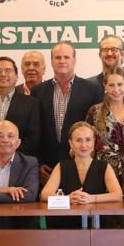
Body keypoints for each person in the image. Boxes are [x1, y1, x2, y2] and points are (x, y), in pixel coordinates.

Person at [32, 41, 103, 180]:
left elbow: (98, 131)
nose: (62, 61)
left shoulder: (92, 89)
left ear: (74, 60)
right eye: (58, 57)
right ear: (51, 61)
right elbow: (34, 131)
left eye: (66, 57)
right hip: (47, 168)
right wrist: (38, 163)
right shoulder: (38, 91)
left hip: (82, 165)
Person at [40, 121, 123, 227]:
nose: (84, 145)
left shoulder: (104, 166)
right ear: (71, 143)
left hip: (97, 225)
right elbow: (44, 195)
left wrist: (91, 199)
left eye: (88, 140)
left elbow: (117, 195)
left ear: (94, 142)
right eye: (78, 140)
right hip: (65, 225)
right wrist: (67, 199)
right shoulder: (61, 166)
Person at [87, 70, 124, 200]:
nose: (116, 89)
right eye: (111, 85)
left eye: (120, 84)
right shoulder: (95, 112)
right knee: (105, 210)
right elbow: (90, 147)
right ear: (105, 86)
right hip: (103, 171)